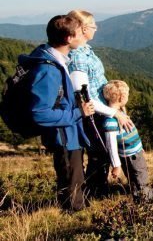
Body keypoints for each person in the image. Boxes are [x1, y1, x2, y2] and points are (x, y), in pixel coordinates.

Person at [24, 15, 95, 212]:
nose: (84, 35)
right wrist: (77, 113)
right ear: (69, 38)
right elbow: (40, 113)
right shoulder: (48, 69)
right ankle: (72, 224)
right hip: (64, 137)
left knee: (75, 182)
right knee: (72, 189)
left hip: (69, 135)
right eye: (80, 32)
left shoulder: (56, 60)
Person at [67, 10, 134, 198]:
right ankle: (94, 194)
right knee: (99, 155)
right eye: (93, 26)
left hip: (103, 110)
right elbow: (84, 97)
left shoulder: (85, 50)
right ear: (82, 28)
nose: (96, 29)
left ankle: (96, 193)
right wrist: (115, 113)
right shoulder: (78, 57)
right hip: (95, 115)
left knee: (102, 155)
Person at [102, 80, 153, 202]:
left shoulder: (119, 112)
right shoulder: (111, 121)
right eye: (127, 95)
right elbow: (111, 145)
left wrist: (139, 147)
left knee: (136, 178)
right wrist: (116, 165)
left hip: (134, 152)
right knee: (141, 178)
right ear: (121, 97)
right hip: (131, 156)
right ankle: (147, 203)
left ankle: (139, 200)